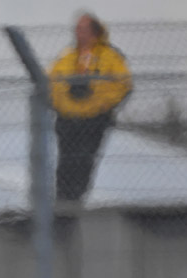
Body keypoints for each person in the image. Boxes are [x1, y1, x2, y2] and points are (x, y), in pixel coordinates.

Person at [48, 13, 132, 203]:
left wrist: (103, 104)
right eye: (77, 28)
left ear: (95, 32)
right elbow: (50, 82)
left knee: (84, 161)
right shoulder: (67, 55)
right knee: (65, 163)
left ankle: (77, 199)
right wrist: (57, 103)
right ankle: (62, 201)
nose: (77, 32)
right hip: (68, 118)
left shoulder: (110, 56)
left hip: (94, 119)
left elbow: (123, 84)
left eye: (82, 28)